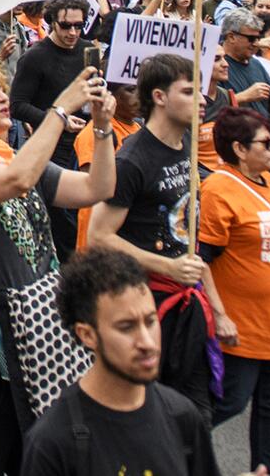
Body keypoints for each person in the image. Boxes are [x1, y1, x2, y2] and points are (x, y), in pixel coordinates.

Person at [0, 57, 118, 475]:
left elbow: (96, 188)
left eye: (2, 88)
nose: (2, 97)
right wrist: (60, 109)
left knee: (34, 458)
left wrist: (102, 128)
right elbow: (17, 181)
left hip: (32, 330)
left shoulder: (13, 154)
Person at [87, 53, 216, 420]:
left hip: (187, 301)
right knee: (151, 414)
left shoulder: (187, 143)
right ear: (159, 97)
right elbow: (99, 236)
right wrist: (168, 267)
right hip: (148, 304)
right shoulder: (132, 159)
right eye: (189, 91)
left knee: (197, 414)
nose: (202, 100)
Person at [18, 249, 219, 476]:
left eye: (151, 321)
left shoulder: (182, 416)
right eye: (126, 327)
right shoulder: (53, 442)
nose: (146, 341)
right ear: (87, 335)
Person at [200, 107, 270, 476]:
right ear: (240, 148)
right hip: (242, 328)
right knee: (230, 402)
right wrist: (220, 315)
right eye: (266, 141)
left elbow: (266, 233)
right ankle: (169, 450)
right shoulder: (218, 188)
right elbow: (202, 259)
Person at [8, 0, 96, 256]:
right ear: (51, 22)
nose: (72, 33)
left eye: (78, 26)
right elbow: (18, 105)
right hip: (52, 150)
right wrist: (57, 118)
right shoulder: (35, 57)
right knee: (62, 223)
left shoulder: (88, 50)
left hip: (85, 147)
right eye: (66, 26)